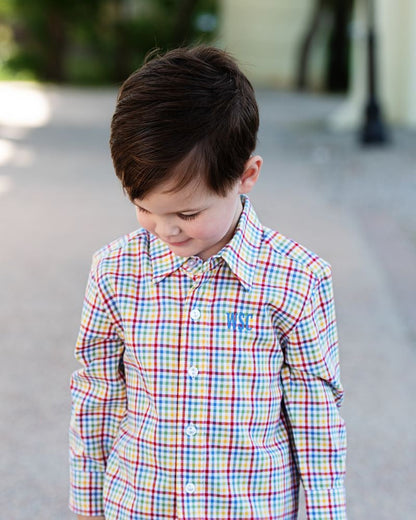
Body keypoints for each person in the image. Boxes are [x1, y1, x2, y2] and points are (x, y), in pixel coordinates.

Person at [69, 45, 347, 520]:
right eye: (144, 208)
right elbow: (96, 395)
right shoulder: (115, 272)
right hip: (139, 506)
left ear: (246, 176)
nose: (166, 230)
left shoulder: (298, 279)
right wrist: (88, 509)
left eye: (189, 213)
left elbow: (317, 418)